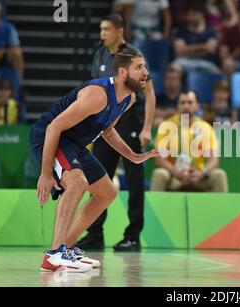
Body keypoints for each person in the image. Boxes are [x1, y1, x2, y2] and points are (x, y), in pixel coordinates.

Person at [30, 47, 158, 272]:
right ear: (122, 72)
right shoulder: (97, 94)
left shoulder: (129, 99)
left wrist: (134, 157)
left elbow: (107, 131)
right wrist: (46, 172)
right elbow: (54, 126)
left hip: (75, 144)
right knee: (78, 182)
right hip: (50, 136)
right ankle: (54, 255)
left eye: (145, 66)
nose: (145, 72)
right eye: (139, 67)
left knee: (107, 193)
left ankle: (66, 248)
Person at [75, 14, 156, 252]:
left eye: (106, 29)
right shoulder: (100, 54)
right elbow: (94, 91)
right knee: (99, 180)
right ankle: (95, 234)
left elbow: (149, 94)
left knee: (134, 181)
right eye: (100, 29)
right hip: (104, 125)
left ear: (120, 31)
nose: (102, 34)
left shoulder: (133, 56)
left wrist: (147, 128)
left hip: (130, 122)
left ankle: (133, 236)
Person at [150, 90, 228, 192]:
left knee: (219, 175)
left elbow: (214, 160)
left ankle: (221, 208)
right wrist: (178, 174)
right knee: (159, 174)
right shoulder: (167, 126)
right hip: (174, 176)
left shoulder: (206, 127)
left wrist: (202, 173)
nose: (186, 106)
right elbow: (159, 159)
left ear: (197, 105)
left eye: (190, 102)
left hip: (199, 177)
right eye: (182, 103)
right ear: (177, 105)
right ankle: (153, 208)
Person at [173, 3, 220, 73]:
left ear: (201, 14)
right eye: (189, 15)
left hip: (207, 63)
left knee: (217, 72)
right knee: (174, 68)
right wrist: (204, 46)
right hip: (185, 62)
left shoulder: (211, 32)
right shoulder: (181, 32)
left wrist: (187, 50)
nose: (191, 17)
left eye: (194, 14)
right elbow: (180, 51)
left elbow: (210, 49)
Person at [0, 0, 24, 81]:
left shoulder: (8, 28)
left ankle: (17, 84)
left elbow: (15, 47)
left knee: (16, 54)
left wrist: (4, 50)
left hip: (3, 59)